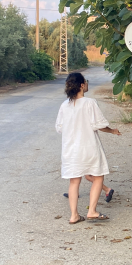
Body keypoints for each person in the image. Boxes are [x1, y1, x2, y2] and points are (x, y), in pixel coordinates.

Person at [55, 73, 121, 224]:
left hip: (70, 150)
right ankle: (92, 211)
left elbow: (59, 128)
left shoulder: (64, 105)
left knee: (74, 181)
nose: (87, 84)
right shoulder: (89, 103)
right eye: (86, 81)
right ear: (82, 85)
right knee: (98, 177)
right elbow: (99, 125)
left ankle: (74, 215)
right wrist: (112, 131)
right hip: (88, 147)